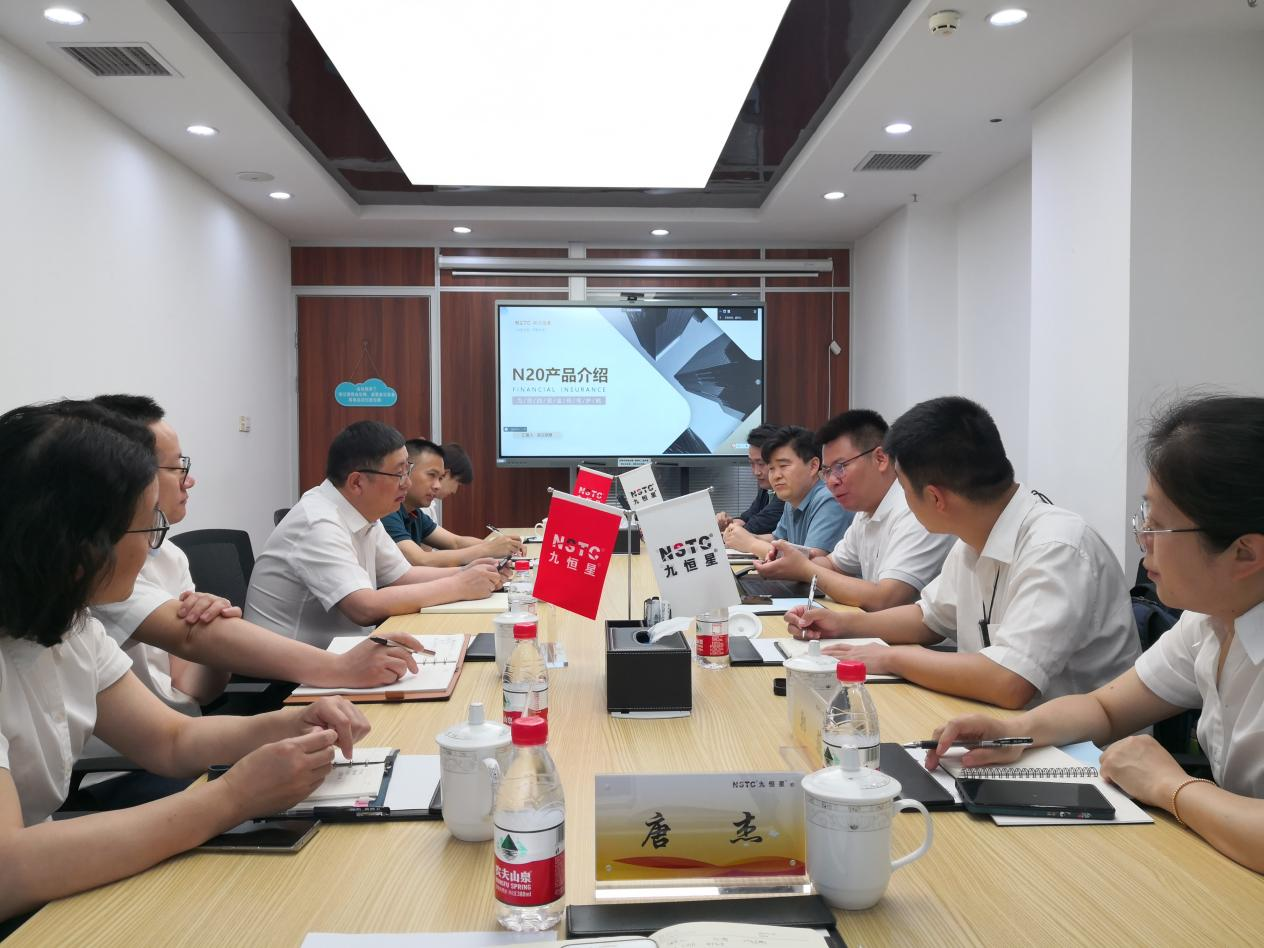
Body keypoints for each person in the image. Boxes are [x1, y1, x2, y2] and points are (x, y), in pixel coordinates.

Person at [0, 402, 369, 924]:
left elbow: (171, 739)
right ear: (78, 546)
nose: (153, 547)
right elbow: (8, 869)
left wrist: (288, 723)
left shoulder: (70, 623)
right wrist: (231, 797)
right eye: (146, 528)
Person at [926, 395, 1264, 873]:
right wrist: (1013, 732)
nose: (1142, 541)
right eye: (1143, 519)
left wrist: (1171, 786)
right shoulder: (1208, 620)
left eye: (1159, 527)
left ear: (1245, 554)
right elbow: (1105, 707)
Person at [786, 396, 1139, 709]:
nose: (904, 500)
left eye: (904, 489)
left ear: (935, 498)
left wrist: (891, 658)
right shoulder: (972, 539)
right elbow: (929, 618)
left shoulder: (1057, 547)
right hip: (996, 723)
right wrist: (844, 625)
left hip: (1077, 753)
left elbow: (1010, 682)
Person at [83, 397, 423, 707]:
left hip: (188, 726)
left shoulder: (169, 556)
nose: (189, 480)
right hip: (275, 685)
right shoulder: (100, 569)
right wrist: (341, 668)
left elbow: (192, 687)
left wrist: (214, 636)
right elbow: (174, 733)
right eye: (176, 468)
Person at [245, 421, 500, 649]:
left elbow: (403, 576)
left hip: (339, 655)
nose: (407, 483)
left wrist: (469, 572)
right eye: (399, 474)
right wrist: (458, 585)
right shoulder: (317, 521)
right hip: (291, 673)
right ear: (357, 482)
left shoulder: (365, 513)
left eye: (408, 471)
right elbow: (364, 607)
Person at [754, 410, 954, 610]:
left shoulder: (915, 510)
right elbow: (833, 564)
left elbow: (887, 598)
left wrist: (805, 569)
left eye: (840, 466)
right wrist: (791, 562)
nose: (831, 481)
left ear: (880, 458)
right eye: (827, 471)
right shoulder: (865, 512)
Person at [383, 438, 523, 566]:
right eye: (431, 475)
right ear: (405, 471)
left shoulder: (414, 513)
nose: (437, 486)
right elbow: (420, 559)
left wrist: (503, 546)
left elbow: (456, 543)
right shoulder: (386, 512)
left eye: (440, 478)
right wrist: (487, 549)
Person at [723, 425, 852, 559]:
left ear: (813, 466)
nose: (776, 476)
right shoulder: (792, 501)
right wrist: (743, 537)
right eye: (771, 468)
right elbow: (776, 539)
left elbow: (811, 562)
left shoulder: (830, 500)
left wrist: (751, 544)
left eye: (783, 466)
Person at [716, 423, 786, 535]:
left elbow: (753, 527)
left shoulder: (786, 495)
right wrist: (727, 523)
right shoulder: (766, 489)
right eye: (751, 463)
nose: (756, 472)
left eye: (761, 463)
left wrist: (730, 529)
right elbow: (747, 518)